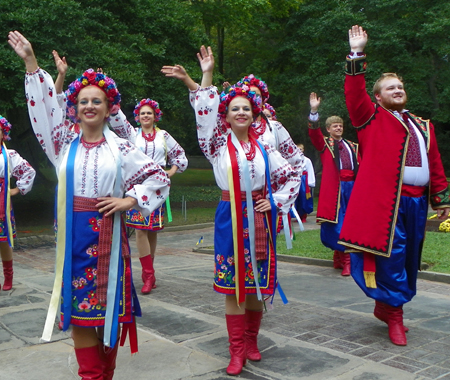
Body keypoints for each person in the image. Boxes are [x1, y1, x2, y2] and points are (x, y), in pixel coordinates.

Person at [9, 31, 170, 379]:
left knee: (110, 311)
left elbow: (160, 178)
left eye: (96, 101)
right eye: (83, 102)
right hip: (73, 241)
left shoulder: (122, 148)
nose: (89, 107)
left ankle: (105, 373)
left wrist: (130, 199)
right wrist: (31, 64)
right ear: (76, 108)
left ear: (109, 107)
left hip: (110, 241)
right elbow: (45, 112)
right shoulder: (62, 143)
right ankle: (92, 375)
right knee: (79, 317)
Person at [162, 47, 300, 376]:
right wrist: (205, 74)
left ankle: (252, 340)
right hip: (230, 215)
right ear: (226, 116)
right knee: (233, 284)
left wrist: (277, 201)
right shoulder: (217, 146)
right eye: (235, 108)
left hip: (260, 217)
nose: (241, 112)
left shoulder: (266, 149)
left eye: (246, 109)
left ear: (255, 114)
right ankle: (235, 350)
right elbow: (205, 114)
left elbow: (293, 175)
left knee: (255, 285)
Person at [340, 25, 450, 346]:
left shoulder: (422, 125)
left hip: (418, 204)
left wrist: (441, 199)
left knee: (409, 259)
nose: (397, 90)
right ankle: (396, 316)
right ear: (378, 96)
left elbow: (436, 165)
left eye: (400, 86)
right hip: (387, 204)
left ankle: (387, 306)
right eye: (390, 88)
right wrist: (357, 52)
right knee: (392, 258)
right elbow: (353, 93)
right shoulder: (370, 117)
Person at [110, 98, 188, 294]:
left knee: (152, 230)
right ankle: (148, 274)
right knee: (140, 229)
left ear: (155, 116)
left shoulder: (163, 136)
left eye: (149, 113)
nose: (145, 116)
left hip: (157, 186)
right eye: (142, 113)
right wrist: (109, 95)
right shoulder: (132, 134)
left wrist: (171, 171)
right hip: (137, 185)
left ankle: (150, 273)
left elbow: (179, 155)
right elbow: (116, 118)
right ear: (137, 116)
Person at [308, 92, 358, 276]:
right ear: (328, 129)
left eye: (340, 125)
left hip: (351, 187)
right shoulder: (325, 144)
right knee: (336, 224)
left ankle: (340, 257)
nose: (338, 128)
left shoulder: (353, 146)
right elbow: (314, 134)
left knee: (350, 224)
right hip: (335, 190)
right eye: (335, 126)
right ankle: (345, 259)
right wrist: (314, 111)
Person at [0, 116, 36, 291]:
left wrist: (15, 190)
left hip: (1, 204)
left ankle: (8, 276)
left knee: (4, 240)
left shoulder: (9, 155)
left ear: (3, 134)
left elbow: (28, 171)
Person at [294, 143, 315, 223]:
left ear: (303, 150)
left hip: (304, 180)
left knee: (304, 198)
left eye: (301, 149)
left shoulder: (307, 160)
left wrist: (310, 183)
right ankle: (298, 215)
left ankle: (304, 216)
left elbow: (310, 171)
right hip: (296, 179)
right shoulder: (293, 160)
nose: (299, 151)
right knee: (296, 198)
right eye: (297, 149)